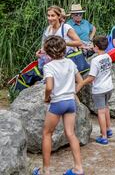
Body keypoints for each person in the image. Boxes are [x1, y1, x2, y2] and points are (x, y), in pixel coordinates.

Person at [32, 36, 84, 175]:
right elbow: (80, 81)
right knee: (71, 133)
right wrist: (72, 92)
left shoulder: (49, 66)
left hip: (57, 102)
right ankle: (78, 168)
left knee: (47, 134)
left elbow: (49, 86)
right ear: (64, 48)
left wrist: (46, 98)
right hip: (70, 102)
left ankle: (46, 170)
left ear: (48, 52)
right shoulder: (70, 62)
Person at [76, 36, 113, 145]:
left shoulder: (95, 60)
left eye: (92, 45)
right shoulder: (108, 56)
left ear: (96, 47)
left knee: (100, 112)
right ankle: (108, 129)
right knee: (106, 108)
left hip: (99, 89)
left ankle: (104, 136)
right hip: (109, 87)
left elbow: (92, 77)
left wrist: (81, 83)